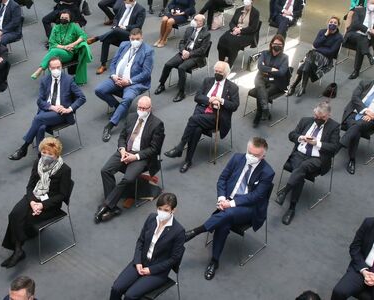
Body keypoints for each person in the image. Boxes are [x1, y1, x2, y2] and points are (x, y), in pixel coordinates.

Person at [183, 137, 275, 280]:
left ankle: (196, 231)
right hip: (227, 203)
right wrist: (221, 199)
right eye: (249, 152)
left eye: (256, 155)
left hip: (249, 209)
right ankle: (214, 260)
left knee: (227, 212)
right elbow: (222, 179)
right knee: (224, 222)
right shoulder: (237, 158)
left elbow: (256, 197)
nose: (251, 156)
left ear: (263, 156)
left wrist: (230, 204)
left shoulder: (268, 172)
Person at [2, 137, 72, 267]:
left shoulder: (64, 170)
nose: (46, 156)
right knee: (14, 214)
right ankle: (18, 249)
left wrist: (41, 205)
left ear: (57, 155)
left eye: (50, 154)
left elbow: (62, 195)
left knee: (25, 217)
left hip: (51, 205)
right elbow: (30, 186)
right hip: (34, 196)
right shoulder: (37, 163)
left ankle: (18, 250)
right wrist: (32, 202)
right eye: (44, 152)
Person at [96, 96, 164, 223]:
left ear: (150, 108)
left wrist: (135, 157)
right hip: (125, 151)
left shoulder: (157, 124)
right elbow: (122, 137)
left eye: (144, 108)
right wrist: (122, 150)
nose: (141, 110)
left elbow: (154, 149)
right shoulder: (131, 117)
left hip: (141, 156)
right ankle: (112, 207)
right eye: (139, 107)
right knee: (105, 170)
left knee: (127, 179)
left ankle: (106, 206)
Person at [163, 61, 238, 172]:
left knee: (193, 120)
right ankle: (188, 160)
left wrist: (221, 101)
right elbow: (197, 97)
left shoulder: (232, 87)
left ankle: (180, 147)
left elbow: (234, 106)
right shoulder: (208, 81)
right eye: (216, 71)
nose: (217, 73)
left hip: (217, 116)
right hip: (202, 111)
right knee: (197, 129)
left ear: (226, 73)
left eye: (220, 72)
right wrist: (209, 100)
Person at [110, 193, 185, 299]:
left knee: (130, 296)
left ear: (173, 210)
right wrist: (138, 262)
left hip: (157, 271)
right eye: (159, 208)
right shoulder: (151, 218)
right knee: (116, 288)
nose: (162, 212)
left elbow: (174, 259)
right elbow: (140, 241)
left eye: (166, 210)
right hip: (141, 262)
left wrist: (151, 270)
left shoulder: (178, 231)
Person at [275, 101, 340, 225]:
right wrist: (301, 138)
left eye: (322, 118)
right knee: (300, 174)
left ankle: (285, 191)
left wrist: (318, 143)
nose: (319, 119)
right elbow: (291, 135)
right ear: (314, 113)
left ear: (328, 116)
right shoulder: (305, 120)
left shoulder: (334, 127)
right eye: (317, 117)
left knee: (302, 168)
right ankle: (291, 208)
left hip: (317, 158)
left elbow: (334, 148)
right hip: (299, 154)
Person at [10, 58, 85, 160]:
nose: (56, 70)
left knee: (38, 119)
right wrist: (51, 107)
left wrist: (69, 109)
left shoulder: (69, 80)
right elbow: (39, 101)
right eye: (53, 68)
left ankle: (24, 148)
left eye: (58, 67)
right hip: (48, 109)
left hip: (62, 112)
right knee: (40, 127)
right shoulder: (45, 80)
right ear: (49, 69)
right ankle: (40, 156)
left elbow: (82, 97)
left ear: (61, 66)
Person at [95, 29, 154, 142]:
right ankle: (118, 107)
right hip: (116, 79)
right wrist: (113, 75)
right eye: (133, 39)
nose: (135, 41)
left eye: (137, 39)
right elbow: (113, 62)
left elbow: (146, 73)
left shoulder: (148, 51)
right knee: (99, 90)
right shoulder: (124, 45)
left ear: (142, 38)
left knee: (127, 98)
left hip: (134, 83)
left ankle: (110, 125)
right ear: (129, 38)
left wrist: (129, 81)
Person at [339, 69, 374, 175]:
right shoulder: (365, 83)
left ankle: (339, 146)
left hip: (371, 120)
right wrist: (366, 111)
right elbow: (355, 98)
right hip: (354, 114)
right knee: (357, 129)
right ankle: (352, 159)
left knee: (357, 126)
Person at [154, 14, 210, 102]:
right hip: (183, 53)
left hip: (196, 57)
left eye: (195, 19)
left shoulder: (206, 34)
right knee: (168, 64)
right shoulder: (189, 29)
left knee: (181, 68)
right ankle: (162, 84)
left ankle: (181, 92)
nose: (193, 20)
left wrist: (189, 54)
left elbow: (202, 50)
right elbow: (182, 42)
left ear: (201, 22)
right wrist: (183, 51)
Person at [30, 11, 92, 85]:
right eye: (62, 17)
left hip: (68, 54)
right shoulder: (56, 27)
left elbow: (83, 36)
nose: (63, 19)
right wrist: (64, 47)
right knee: (52, 58)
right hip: (58, 50)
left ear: (70, 19)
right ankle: (54, 81)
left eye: (66, 18)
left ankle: (40, 69)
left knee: (53, 53)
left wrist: (73, 44)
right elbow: (52, 42)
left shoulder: (74, 26)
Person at [287, 17, 343, 97]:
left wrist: (318, 49)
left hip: (325, 59)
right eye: (331, 22)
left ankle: (293, 86)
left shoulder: (339, 37)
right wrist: (325, 35)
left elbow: (331, 52)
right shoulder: (322, 32)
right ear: (328, 23)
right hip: (313, 56)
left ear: (338, 25)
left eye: (335, 23)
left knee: (308, 60)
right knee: (308, 63)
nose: (332, 24)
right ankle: (302, 87)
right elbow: (315, 44)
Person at [87, 0, 146, 75]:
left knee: (116, 31)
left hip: (130, 34)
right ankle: (103, 65)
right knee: (106, 40)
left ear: (132, 1)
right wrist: (115, 25)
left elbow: (138, 26)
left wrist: (125, 27)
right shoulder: (123, 5)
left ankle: (97, 38)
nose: (124, 3)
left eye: (126, 2)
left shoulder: (141, 10)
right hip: (117, 31)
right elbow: (116, 17)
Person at [252, 34, 289, 127]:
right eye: (275, 43)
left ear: (283, 46)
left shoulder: (285, 57)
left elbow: (282, 73)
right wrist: (273, 69)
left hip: (276, 82)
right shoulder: (264, 53)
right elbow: (260, 66)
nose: (277, 46)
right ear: (271, 44)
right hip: (261, 77)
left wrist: (267, 69)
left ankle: (259, 114)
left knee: (261, 92)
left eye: (280, 44)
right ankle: (265, 109)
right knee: (260, 87)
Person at [344, 0, 374, 80]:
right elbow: (356, 24)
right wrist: (369, 30)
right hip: (353, 35)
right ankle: (367, 55)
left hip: (366, 39)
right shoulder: (358, 10)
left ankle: (356, 70)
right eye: (372, 3)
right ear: (368, 2)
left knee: (362, 42)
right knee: (361, 38)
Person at [216, 0, 260, 70]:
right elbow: (232, 22)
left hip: (247, 34)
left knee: (233, 43)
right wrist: (234, 28)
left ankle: (229, 64)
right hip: (235, 30)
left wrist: (240, 31)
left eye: (248, 5)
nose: (246, 7)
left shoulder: (256, 12)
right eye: (245, 5)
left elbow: (253, 28)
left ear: (251, 3)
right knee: (222, 39)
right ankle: (221, 61)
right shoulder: (239, 10)